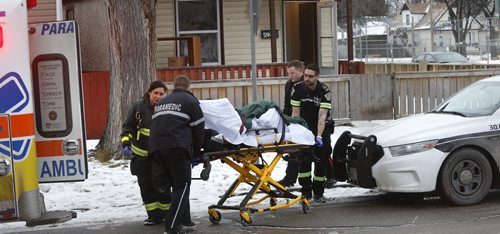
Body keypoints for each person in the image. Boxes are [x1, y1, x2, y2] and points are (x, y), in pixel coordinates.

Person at [149, 75, 205, 234]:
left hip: (157, 149)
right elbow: (199, 130)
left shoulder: (163, 102)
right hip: (177, 147)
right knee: (183, 185)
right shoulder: (191, 101)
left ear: (174, 87)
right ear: (189, 88)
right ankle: (171, 226)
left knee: (178, 185)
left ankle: (185, 221)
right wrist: (196, 153)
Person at [120, 80, 171, 225]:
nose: (158, 97)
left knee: (162, 186)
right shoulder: (138, 108)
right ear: (149, 93)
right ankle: (154, 216)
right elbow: (128, 127)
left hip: (159, 157)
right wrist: (126, 143)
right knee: (146, 187)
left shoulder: (168, 108)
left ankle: (167, 215)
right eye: (156, 93)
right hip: (141, 156)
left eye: (161, 94)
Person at [290, 63, 334, 203]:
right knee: (304, 161)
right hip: (305, 126)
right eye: (305, 75)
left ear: (317, 76)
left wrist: (319, 136)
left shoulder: (324, 91)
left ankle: (319, 193)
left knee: (320, 159)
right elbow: (295, 113)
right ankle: (306, 192)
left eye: (310, 76)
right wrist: (297, 132)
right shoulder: (298, 89)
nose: (307, 78)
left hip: (322, 127)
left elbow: (322, 117)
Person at [278, 60, 304, 187]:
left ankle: (329, 175)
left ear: (300, 70)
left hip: (306, 121)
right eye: (288, 73)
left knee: (318, 151)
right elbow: (286, 103)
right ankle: (290, 178)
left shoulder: (306, 84)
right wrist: (285, 118)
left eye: (292, 73)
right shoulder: (289, 84)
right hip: (293, 121)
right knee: (294, 150)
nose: (290, 76)